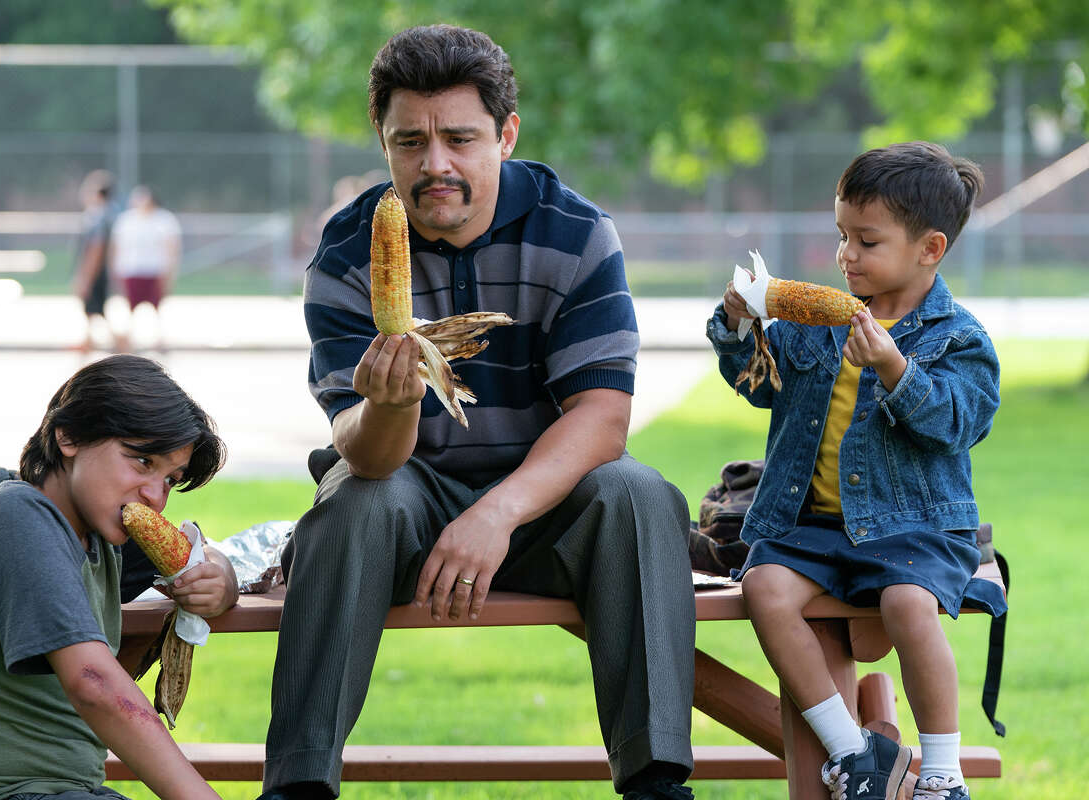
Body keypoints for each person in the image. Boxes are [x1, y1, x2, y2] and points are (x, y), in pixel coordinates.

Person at [260, 24, 697, 800]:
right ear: (383, 142)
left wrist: (495, 516)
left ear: (507, 135)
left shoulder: (577, 231)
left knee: (639, 494)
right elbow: (364, 453)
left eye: (461, 138)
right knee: (353, 503)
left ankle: (657, 782)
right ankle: (298, 785)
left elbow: (602, 418)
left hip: (544, 503)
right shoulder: (343, 252)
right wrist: (391, 405)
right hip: (404, 495)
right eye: (410, 142)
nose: (436, 165)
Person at [706, 142, 1007, 800]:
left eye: (866, 241)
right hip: (808, 527)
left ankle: (941, 771)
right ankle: (852, 750)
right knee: (764, 591)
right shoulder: (813, 325)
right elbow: (756, 382)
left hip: (913, 528)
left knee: (906, 602)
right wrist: (736, 326)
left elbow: (961, 423)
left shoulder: (957, 337)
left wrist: (897, 371)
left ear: (929, 249)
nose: (846, 255)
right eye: (841, 236)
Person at [0, 354, 236, 800]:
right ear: (68, 436)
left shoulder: (104, 534)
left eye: (171, 478)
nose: (155, 497)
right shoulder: (18, 515)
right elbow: (93, 684)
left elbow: (197, 553)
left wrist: (220, 576)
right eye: (142, 462)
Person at [110, 185, 182, 352]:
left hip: (155, 269)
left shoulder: (164, 220)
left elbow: (171, 247)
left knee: (157, 305)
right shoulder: (126, 220)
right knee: (131, 305)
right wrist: (116, 269)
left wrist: (169, 272)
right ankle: (129, 339)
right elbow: (117, 247)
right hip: (132, 269)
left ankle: (160, 338)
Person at [70, 169, 118, 353]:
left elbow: (96, 249)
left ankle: (119, 343)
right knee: (94, 310)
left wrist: (85, 277)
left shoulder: (97, 217)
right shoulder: (110, 214)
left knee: (95, 308)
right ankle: (88, 341)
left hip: (97, 271)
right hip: (102, 270)